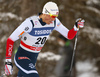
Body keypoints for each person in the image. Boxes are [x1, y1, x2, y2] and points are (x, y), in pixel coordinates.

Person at [4, 1, 84, 77]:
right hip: (22, 56)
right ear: (45, 13)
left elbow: (69, 35)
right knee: (33, 75)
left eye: (55, 16)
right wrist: (8, 61)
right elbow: (11, 39)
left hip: (33, 58)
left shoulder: (54, 22)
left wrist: (75, 27)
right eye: (52, 16)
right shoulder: (30, 23)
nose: (53, 19)